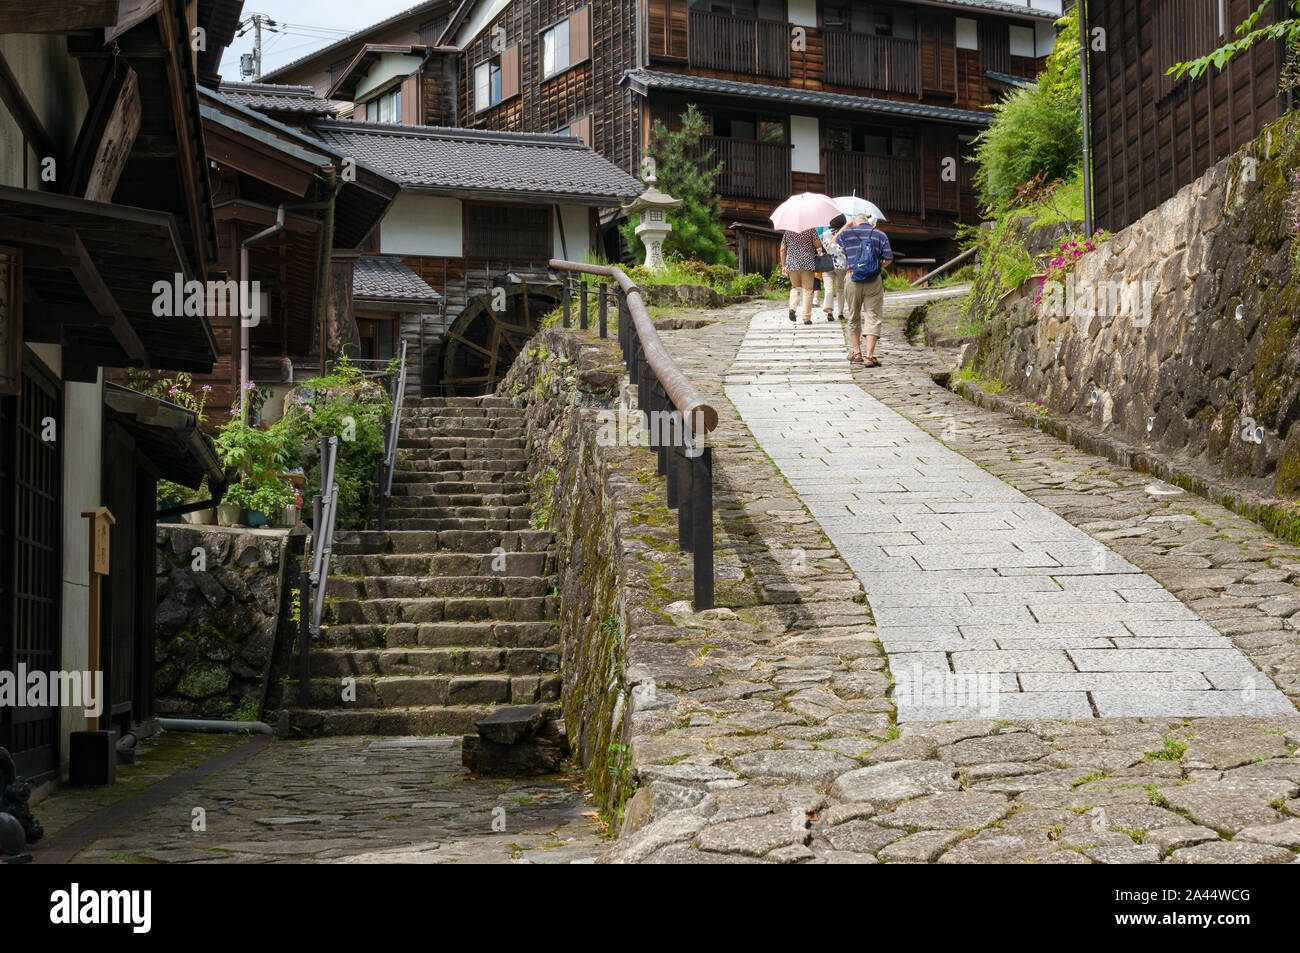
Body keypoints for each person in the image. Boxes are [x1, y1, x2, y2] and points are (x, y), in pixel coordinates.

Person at [836, 214, 893, 366]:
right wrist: (875, 268)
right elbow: (888, 258)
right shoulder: (880, 234)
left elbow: (834, 240)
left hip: (852, 277)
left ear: (854, 222)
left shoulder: (847, 233)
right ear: (868, 222)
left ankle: (857, 353)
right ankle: (869, 356)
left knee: (853, 315)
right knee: (873, 316)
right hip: (873, 280)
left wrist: (848, 225)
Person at [779, 227, 821, 324]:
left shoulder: (789, 231)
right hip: (807, 263)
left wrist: (783, 265)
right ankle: (806, 318)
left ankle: (792, 308)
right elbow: (817, 244)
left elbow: (782, 249)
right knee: (808, 290)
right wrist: (818, 245)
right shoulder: (811, 229)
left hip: (792, 264)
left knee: (795, 288)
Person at [817, 214, 849, 322]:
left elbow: (820, 249)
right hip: (841, 264)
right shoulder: (845, 234)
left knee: (828, 288)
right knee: (841, 289)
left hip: (827, 264)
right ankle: (840, 312)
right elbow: (847, 249)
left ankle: (829, 311)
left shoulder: (824, 234)